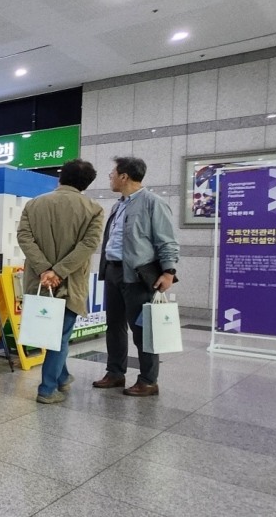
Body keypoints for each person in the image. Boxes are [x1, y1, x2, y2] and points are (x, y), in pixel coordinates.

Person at [17, 159, 104, 404]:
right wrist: (59, 271)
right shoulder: (93, 209)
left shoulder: (34, 204)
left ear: (60, 177)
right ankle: (47, 389)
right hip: (70, 282)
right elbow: (88, 245)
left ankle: (62, 377)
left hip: (39, 281)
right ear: (86, 184)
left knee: (54, 332)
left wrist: (45, 269)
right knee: (61, 335)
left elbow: (24, 237)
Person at [93, 157, 180, 397]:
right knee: (114, 326)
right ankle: (115, 373)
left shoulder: (153, 203)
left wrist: (168, 271)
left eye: (113, 173)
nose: (110, 177)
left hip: (138, 274)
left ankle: (148, 380)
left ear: (124, 176)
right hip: (113, 270)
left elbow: (167, 239)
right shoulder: (118, 205)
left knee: (143, 329)